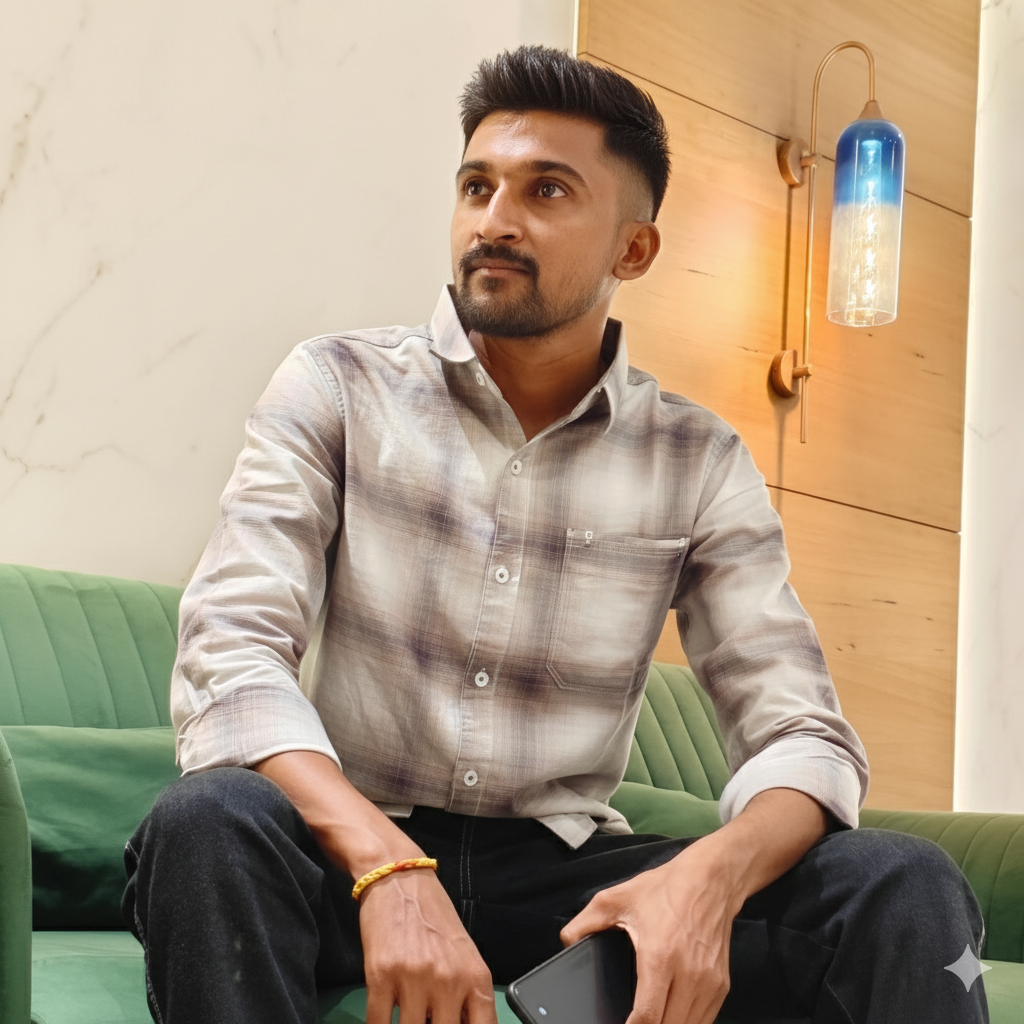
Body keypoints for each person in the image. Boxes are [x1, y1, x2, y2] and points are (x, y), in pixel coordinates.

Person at [123, 45, 988, 1024]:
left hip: (570, 886)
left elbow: (801, 734)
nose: (494, 219)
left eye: (546, 191)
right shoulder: (337, 386)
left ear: (634, 250)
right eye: (476, 186)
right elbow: (232, 655)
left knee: (899, 883)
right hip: (344, 854)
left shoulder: (697, 458)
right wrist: (386, 865)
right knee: (206, 821)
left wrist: (706, 882)